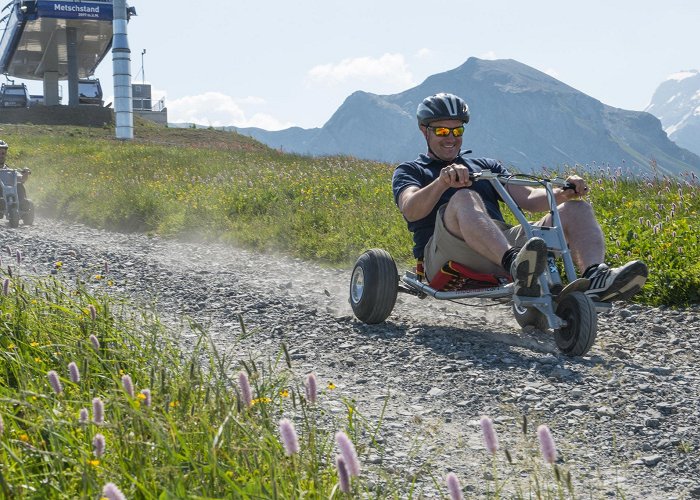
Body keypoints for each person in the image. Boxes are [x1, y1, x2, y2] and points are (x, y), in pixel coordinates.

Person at [392, 93, 648, 302]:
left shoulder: (484, 165)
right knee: (463, 197)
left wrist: (564, 192)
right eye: (442, 132)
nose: (450, 139)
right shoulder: (411, 170)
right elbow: (411, 209)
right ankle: (518, 265)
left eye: (456, 131)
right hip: (445, 254)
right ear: (424, 131)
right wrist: (442, 182)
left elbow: (527, 198)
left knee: (576, 209)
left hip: (499, 243)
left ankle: (595, 278)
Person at [0, 140, 31, 209]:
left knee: (19, 185)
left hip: (9, 195)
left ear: (5, 154)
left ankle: (22, 204)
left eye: (3, 153)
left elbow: (22, 179)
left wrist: (25, 173)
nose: (1, 156)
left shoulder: (10, 171)